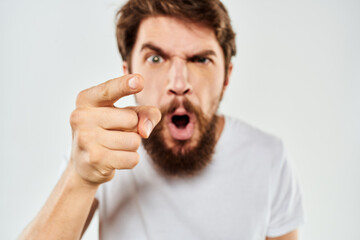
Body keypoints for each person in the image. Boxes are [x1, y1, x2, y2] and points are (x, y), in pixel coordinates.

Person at [19, 0, 304, 239]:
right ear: (127, 70)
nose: (178, 83)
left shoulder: (268, 157)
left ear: (227, 77)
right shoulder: (101, 151)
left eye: (200, 59)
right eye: (156, 58)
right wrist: (79, 177)